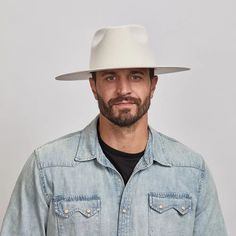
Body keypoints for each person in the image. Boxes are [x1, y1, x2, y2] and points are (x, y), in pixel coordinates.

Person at [0, 25, 227, 236]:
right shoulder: (47, 167)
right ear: (93, 86)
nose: (123, 89)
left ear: (153, 85)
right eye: (110, 77)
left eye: (135, 76)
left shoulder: (191, 171)